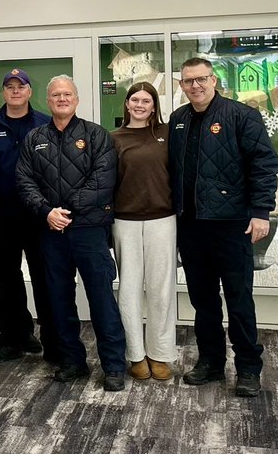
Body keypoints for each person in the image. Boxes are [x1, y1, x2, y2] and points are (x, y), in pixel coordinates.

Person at [169, 58, 278, 397]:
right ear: (182, 86)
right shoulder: (178, 120)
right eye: (188, 81)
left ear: (213, 80)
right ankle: (211, 363)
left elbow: (264, 164)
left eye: (201, 79)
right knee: (203, 301)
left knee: (238, 299)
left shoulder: (241, 115)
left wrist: (261, 211)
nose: (195, 86)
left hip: (232, 225)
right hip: (191, 225)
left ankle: (248, 368)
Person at [16, 75, 127, 391]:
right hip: (51, 232)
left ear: (76, 99)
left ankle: (114, 366)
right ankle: (72, 362)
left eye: (67, 94)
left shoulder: (97, 135)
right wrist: (47, 212)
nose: (61, 99)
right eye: (55, 95)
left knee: (102, 298)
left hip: (90, 232)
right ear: (47, 101)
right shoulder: (35, 138)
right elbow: (24, 181)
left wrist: (64, 210)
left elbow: (103, 182)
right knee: (58, 300)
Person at [0, 68, 58, 364]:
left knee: (44, 280)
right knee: (7, 282)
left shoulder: (45, 124)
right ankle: (14, 339)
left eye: (20, 86)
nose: (14, 91)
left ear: (29, 92)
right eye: (9, 87)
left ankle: (53, 341)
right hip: (2, 218)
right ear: (2, 93)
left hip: (38, 218)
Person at [110, 82, 176, 382]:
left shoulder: (166, 133)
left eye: (145, 100)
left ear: (154, 105)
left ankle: (160, 353)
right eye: (134, 99)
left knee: (161, 288)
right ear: (126, 104)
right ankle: (136, 355)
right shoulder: (114, 138)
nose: (139, 104)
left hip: (163, 218)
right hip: (125, 220)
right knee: (129, 289)